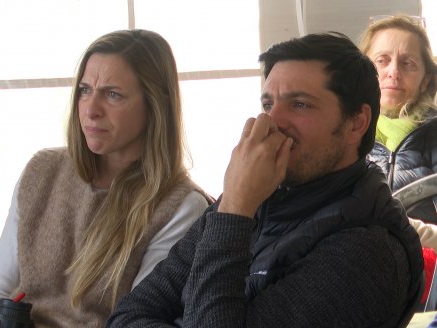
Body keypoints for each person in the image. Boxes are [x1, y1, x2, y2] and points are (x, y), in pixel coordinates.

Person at [107, 32, 423, 328]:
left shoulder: (368, 250)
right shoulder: (255, 197)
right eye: (268, 104)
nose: (271, 122)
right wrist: (234, 207)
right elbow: (127, 315)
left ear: (357, 123)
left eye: (300, 104)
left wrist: (234, 213)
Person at [0, 29, 212, 328]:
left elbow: (137, 319)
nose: (91, 109)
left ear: (155, 105)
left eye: (113, 94)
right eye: (85, 90)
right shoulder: (42, 171)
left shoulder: (181, 206)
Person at [360, 14, 437, 225]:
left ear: (425, 80)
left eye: (408, 63)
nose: (393, 72)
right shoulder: (339, 134)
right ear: (362, 71)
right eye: (382, 61)